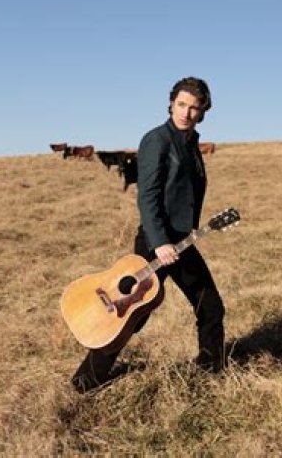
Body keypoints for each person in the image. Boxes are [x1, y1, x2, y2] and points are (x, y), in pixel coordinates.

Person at [71, 76, 225, 393]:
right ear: (171, 104)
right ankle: (85, 382)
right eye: (181, 104)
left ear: (203, 111)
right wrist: (160, 242)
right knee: (128, 316)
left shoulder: (191, 145)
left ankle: (211, 374)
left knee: (210, 307)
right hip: (157, 242)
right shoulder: (157, 140)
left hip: (183, 242)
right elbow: (148, 196)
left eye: (194, 107)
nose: (186, 112)